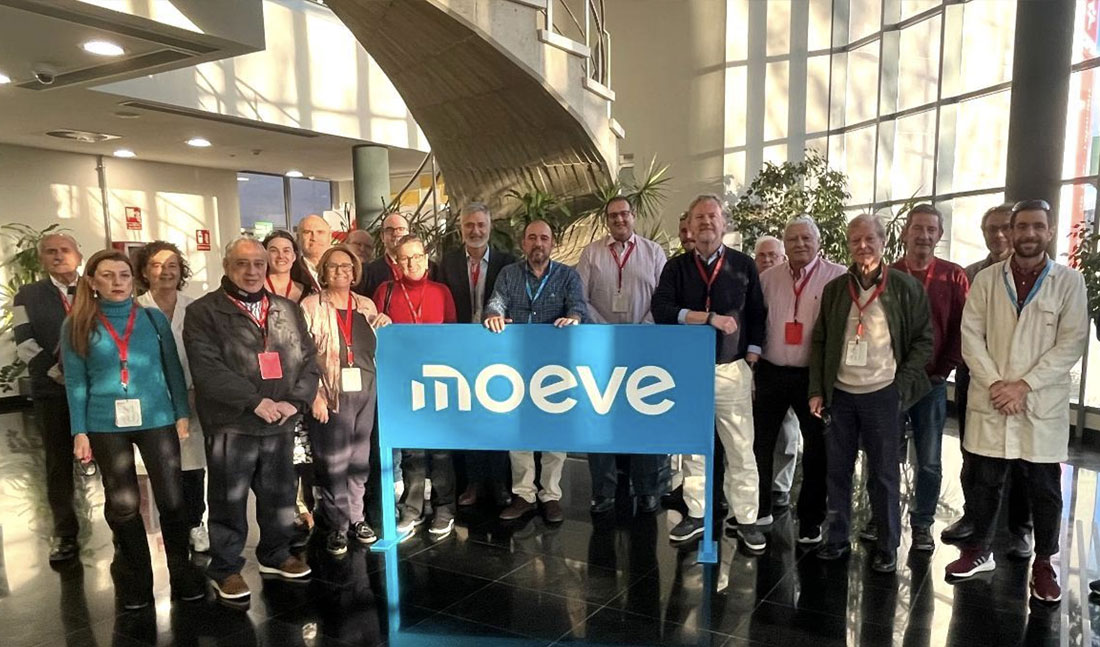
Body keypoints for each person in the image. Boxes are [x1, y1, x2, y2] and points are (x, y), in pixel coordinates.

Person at [945, 199, 1088, 604]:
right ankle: (979, 550)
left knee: (1044, 488)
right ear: (1011, 230)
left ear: (1049, 231)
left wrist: (1024, 386)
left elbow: (1071, 343)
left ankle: (1043, 563)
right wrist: (996, 385)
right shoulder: (987, 280)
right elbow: (971, 336)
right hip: (993, 398)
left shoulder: (1069, 281)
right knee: (985, 482)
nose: (1029, 234)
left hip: (1039, 402)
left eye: (1037, 226)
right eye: (1021, 226)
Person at [61, 249, 201, 608]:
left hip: (157, 419)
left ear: (133, 280)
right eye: (107, 276)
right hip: (105, 424)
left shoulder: (152, 319)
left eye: (123, 275)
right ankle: (137, 579)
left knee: (172, 500)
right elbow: (76, 381)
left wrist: (181, 412)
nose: (117, 282)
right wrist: (80, 431)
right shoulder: (77, 323)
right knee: (123, 505)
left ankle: (181, 572)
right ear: (92, 282)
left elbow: (172, 368)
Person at [184, 237, 321, 603]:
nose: (251, 271)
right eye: (242, 263)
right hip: (233, 423)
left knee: (280, 495)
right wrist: (254, 401)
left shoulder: (285, 308)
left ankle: (275, 554)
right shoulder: (204, 311)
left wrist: (295, 402)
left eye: (258, 264)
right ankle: (225, 568)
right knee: (229, 498)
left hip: (280, 421)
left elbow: (309, 359)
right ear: (227, 266)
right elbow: (207, 369)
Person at [808, 214, 933, 574]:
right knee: (837, 471)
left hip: (882, 394)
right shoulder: (835, 289)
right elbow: (820, 341)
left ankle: (887, 545)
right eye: (855, 240)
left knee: (883, 474)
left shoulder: (905, 288)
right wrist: (817, 389)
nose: (862, 246)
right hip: (841, 395)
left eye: (869, 239)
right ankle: (836, 538)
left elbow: (924, 341)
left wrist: (900, 387)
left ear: (883, 242)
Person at [651, 194, 767, 554]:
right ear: (689, 225)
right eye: (698, 217)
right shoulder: (676, 267)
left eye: (712, 216)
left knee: (741, 447)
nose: (705, 222)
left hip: (731, 368)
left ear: (724, 223)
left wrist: (752, 355)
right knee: (694, 449)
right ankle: (697, 513)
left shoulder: (743, 265)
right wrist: (707, 318)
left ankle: (746, 519)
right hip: (689, 371)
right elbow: (661, 309)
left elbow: (758, 312)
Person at [484, 220, 587, 523]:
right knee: (520, 432)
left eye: (544, 238)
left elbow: (579, 306)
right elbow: (495, 302)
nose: (538, 243)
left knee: (556, 432)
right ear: (523, 243)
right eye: (532, 238)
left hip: (557, 368)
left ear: (552, 243)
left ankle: (551, 495)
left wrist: (574, 318)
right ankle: (524, 495)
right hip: (518, 367)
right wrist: (493, 315)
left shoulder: (568, 275)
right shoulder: (509, 274)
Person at [942, 204, 1031, 547]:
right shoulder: (970, 275)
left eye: (1005, 227)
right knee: (972, 451)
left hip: (1019, 381)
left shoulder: (1035, 276)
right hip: (975, 377)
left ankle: (1020, 528)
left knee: (1023, 455)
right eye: (991, 229)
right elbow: (962, 328)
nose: (999, 235)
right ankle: (972, 516)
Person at [752, 216, 846, 545]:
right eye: (792, 239)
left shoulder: (838, 277)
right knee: (760, 444)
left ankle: (810, 520)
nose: (800, 244)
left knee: (817, 449)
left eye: (806, 238)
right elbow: (757, 321)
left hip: (813, 377)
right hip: (771, 371)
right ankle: (760, 509)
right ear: (784, 244)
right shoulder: (768, 278)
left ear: (818, 242)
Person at [884, 204, 968, 552]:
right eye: (917, 228)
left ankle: (922, 524)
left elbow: (963, 328)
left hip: (932, 383)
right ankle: (883, 518)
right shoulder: (887, 274)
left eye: (931, 229)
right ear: (905, 232)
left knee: (929, 460)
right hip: (891, 382)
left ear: (940, 235)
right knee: (884, 454)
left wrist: (942, 371)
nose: (924, 235)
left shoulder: (953, 276)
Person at [576, 196, 667, 514]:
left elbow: (663, 298)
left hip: (644, 348)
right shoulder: (591, 253)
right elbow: (580, 298)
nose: (619, 219)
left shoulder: (654, 252)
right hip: (601, 349)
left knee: (645, 417)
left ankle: (646, 490)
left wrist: (641, 331)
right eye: (613, 215)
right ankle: (603, 491)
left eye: (624, 214)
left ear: (634, 216)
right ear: (607, 220)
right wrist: (606, 331)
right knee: (600, 417)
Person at [301, 244, 391, 556]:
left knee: (359, 460)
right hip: (331, 394)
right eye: (334, 266)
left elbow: (378, 346)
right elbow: (302, 356)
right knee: (333, 463)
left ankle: (357, 518)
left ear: (355, 272)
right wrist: (314, 395)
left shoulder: (366, 305)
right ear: (323, 272)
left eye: (347, 266)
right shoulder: (311, 306)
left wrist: (385, 322)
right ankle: (337, 526)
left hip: (367, 392)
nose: (341, 271)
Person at [375, 235, 459, 538]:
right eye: (405, 257)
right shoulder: (384, 292)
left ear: (426, 258)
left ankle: (444, 508)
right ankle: (412, 510)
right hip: (403, 381)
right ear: (396, 262)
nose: (412, 262)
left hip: (438, 380)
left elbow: (453, 334)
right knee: (412, 451)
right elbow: (375, 335)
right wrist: (378, 322)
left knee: (440, 451)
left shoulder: (441, 292)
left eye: (417, 256)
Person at [436, 202, 516, 508]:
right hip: (459, 351)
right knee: (467, 416)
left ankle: (498, 482)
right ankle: (472, 482)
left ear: (490, 227)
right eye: (469, 225)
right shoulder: (447, 263)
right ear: (461, 228)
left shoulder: (508, 262)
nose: (475, 230)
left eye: (481, 224)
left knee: (496, 416)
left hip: (496, 349)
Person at [13, 232, 85, 562]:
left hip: (97, 392)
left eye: (65, 250)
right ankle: (65, 534)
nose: (58, 256)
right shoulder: (26, 295)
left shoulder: (95, 288)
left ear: (78, 255)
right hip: (52, 389)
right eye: (50, 251)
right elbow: (24, 342)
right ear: (41, 258)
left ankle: (122, 532)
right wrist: (58, 371)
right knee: (58, 463)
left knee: (112, 461)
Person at [133, 241, 209, 554]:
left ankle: (195, 522)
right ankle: (170, 527)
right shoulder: (135, 310)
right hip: (150, 400)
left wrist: (194, 389)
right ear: (144, 272)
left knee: (193, 464)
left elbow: (205, 354)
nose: (165, 271)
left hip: (192, 395)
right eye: (157, 265)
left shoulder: (196, 308)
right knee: (161, 466)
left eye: (172, 265)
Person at [752, 234, 802, 513]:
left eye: (773, 255)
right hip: (761, 364)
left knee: (787, 429)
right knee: (759, 433)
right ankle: (757, 486)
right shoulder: (755, 283)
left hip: (792, 366)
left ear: (783, 257)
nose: (767, 260)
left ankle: (780, 486)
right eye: (762, 256)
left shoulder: (792, 280)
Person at [263, 230, 315, 303]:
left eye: (286, 251)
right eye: (274, 251)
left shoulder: (308, 292)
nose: (281, 256)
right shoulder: (254, 288)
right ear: (265, 255)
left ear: (294, 256)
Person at [298, 214, 332, 290]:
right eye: (307, 232)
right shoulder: (291, 273)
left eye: (320, 232)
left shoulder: (345, 271)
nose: (314, 238)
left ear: (330, 237)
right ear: (298, 238)